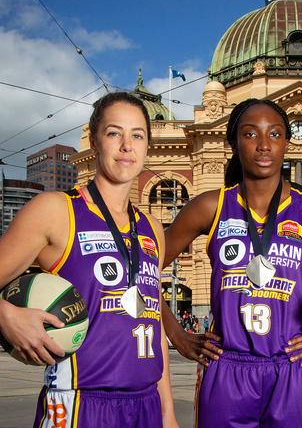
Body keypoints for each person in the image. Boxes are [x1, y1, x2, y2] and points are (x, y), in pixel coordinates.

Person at [160, 98, 302, 427]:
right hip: (227, 368)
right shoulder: (210, 207)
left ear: (286, 143)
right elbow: (140, 270)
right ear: (234, 143)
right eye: (251, 134)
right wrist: (176, 335)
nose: (264, 145)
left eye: (276, 134)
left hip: (292, 366)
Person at [0, 92, 178, 427]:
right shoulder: (55, 210)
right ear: (94, 143)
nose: (127, 146)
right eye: (114, 133)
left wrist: (167, 412)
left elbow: (150, 321)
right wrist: (4, 314)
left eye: (137, 135)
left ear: (147, 146)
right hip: (79, 403)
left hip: (146, 406)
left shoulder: (152, 228)